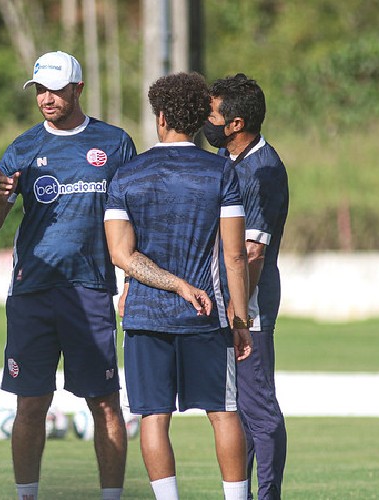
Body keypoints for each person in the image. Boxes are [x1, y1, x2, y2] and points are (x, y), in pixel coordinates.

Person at [0, 50, 137, 500]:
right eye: (40, 89)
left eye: (55, 89)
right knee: (30, 402)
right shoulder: (24, 147)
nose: (46, 98)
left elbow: (132, 222)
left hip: (89, 290)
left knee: (104, 402)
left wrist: (131, 283)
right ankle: (27, 494)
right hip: (32, 292)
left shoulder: (116, 143)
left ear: (78, 89)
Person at [104, 72, 253, 500]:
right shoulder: (221, 171)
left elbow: (122, 254)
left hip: (146, 317)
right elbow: (234, 255)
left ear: (162, 116)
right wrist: (239, 317)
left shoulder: (127, 175)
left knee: (154, 417)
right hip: (207, 317)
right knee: (223, 413)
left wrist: (168, 284)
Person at [204, 73, 289, 500]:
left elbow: (252, 253)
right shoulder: (235, 164)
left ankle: (268, 495)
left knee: (259, 409)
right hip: (234, 307)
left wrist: (237, 314)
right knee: (238, 412)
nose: (207, 120)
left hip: (248, 309)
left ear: (235, 124)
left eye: (213, 114)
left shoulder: (262, 170)